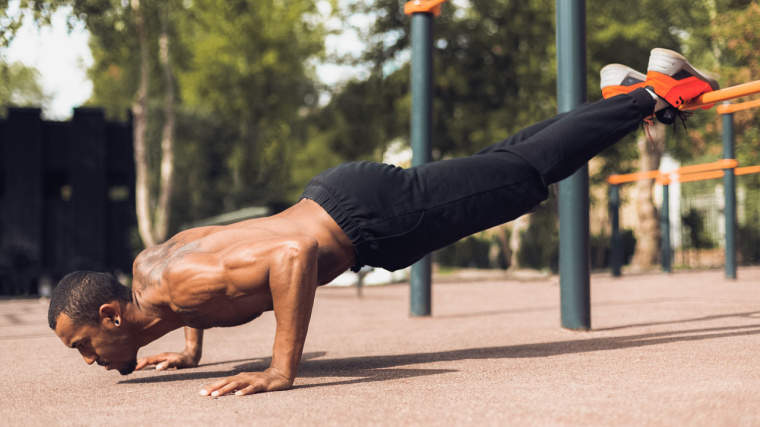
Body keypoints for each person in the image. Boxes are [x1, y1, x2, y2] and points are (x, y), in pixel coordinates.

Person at [49, 48, 718, 397]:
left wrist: (283, 368)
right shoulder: (149, 269)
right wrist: (190, 347)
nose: (88, 358)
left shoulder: (180, 288)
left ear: (112, 316)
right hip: (342, 195)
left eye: (83, 343)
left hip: (369, 221)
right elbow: (209, 255)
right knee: (502, 167)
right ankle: (624, 93)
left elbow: (286, 258)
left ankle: (651, 92)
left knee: (517, 175)